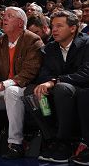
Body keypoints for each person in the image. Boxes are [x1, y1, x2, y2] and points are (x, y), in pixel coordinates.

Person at [0, 6, 43, 159]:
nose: (4, 18)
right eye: (4, 15)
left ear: (20, 23)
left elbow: (29, 72)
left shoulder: (33, 40)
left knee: (12, 91)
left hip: (25, 89)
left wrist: (3, 84)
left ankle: (15, 144)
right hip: (3, 88)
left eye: (9, 16)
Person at [24, 11, 89, 164]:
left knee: (62, 89)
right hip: (58, 91)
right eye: (53, 26)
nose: (54, 30)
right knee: (31, 93)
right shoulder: (50, 48)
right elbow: (43, 75)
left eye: (59, 26)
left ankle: (64, 141)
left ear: (73, 28)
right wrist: (49, 83)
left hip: (82, 89)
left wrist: (56, 81)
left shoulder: (87, 44)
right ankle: (51, 137)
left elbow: (86, 74)